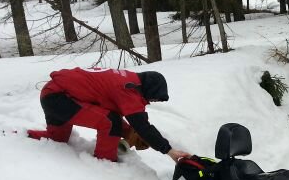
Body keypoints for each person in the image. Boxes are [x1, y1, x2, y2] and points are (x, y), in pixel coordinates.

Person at [27, 67, 191, 163]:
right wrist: (169, 150)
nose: (151, 101)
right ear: (148, 89)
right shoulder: (129, 89)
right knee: (110, 122)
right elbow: (141, 126)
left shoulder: (127, 79)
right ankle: (105, 163)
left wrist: (127, 132)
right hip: (58, 97)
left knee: (58, 140)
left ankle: (22, 137)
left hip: (54, 94)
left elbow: (106, 108)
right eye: (153, 98)